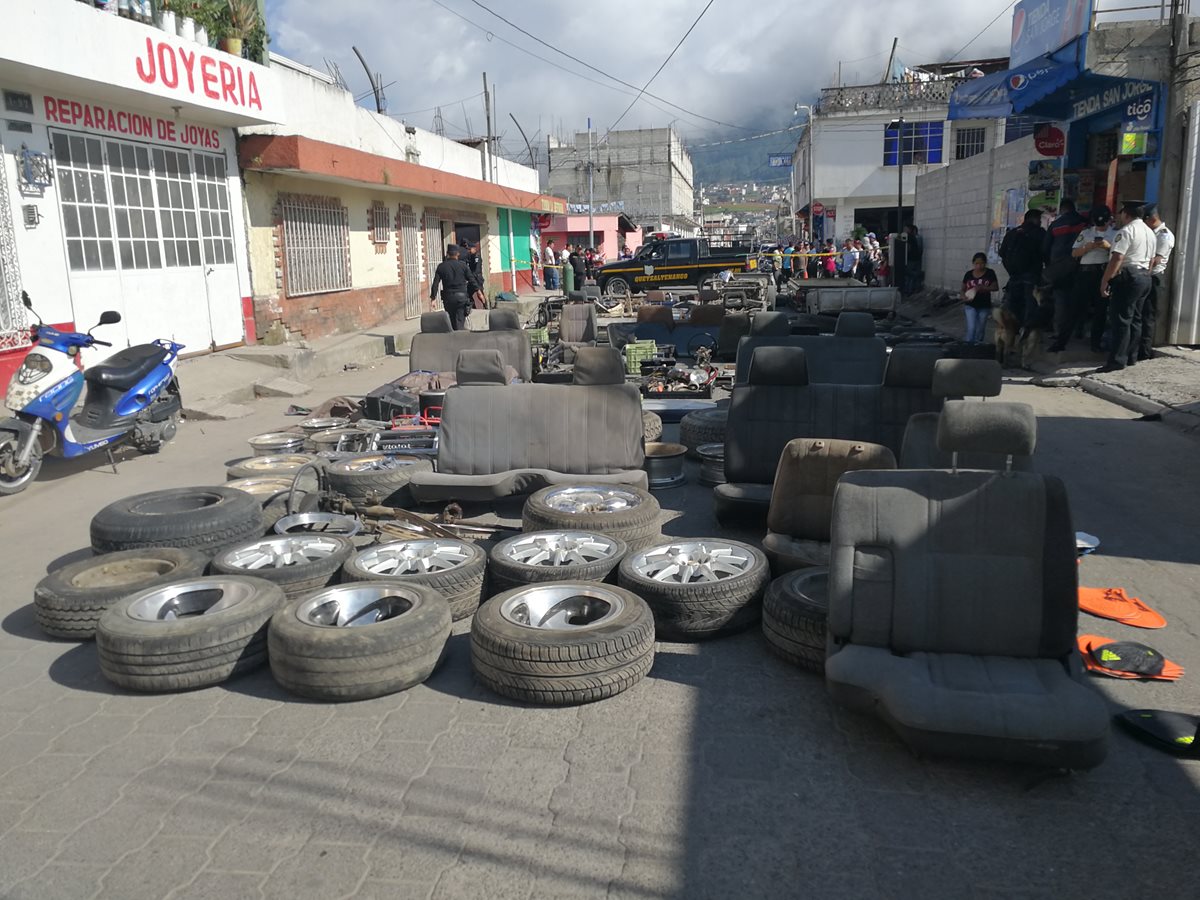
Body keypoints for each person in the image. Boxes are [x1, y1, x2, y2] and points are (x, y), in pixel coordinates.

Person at [1097, 201, 1155, 373]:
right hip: (1144, 276)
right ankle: (1131, 357)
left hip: (1129, 277)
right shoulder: (1149, 232)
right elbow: (1151, 259)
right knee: (1136, 319)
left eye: (1121, 213)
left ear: (1126, 214)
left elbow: (1117, 258)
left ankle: (1116, 360)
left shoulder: (1126, 231)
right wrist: (1145, 275)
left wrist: (1105, 280)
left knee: (1121, 320)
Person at [1060, 206, 1115, 353]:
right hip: (1084, 273)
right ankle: (1061, 341)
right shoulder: (1086, 233)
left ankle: (1095, 343)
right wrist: (1087, 248)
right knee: (1074, 308)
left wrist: (1108, 247)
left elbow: (1119, 255)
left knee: (1100, 310)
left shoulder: (1115, 234)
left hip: (1102, 273)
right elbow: (1074, 253)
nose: (1101, 223)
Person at [999, 210, 1047, 329]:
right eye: (1039, 219)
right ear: (1034, 219)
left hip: (1014, 274)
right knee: (1031, 303)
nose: (1040, 222)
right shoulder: (1039, 232)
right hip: (1031, 274)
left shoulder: (1012, 233)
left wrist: (1011, 269)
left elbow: (1002, 252)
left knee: (1015, 302)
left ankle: (1013, 330)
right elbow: (1045, 251)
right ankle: (1027, 332)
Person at [1141, 204, 1175, 361]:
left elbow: (1155, 260)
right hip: (1145, 276)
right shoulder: (1151, 233)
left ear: (1152, 219)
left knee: (1148, 316)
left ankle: (1144, 352)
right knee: (1140, 315)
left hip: (1154, 278)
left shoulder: (1164, 236)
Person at [429, 244, 480, 331]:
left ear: (447, 254)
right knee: (460, 321)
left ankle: (453, 337)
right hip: (461, 298)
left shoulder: (441, 266)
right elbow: (472, 280)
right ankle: (459, 339)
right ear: (457, 254)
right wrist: (479, 292)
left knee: (451, 321)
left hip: (448, 299)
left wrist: (433, 298)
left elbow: (435, 283)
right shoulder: (463, 266)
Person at [961, 252, 999, 345]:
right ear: (973, 264)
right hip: (970, 305)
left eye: (981, 263)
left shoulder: (990, 273)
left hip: (984, 305)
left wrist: (983, 287)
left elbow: (995, 287)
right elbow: (962, 289)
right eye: (977, 263)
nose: (979, 266)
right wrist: (963, 296)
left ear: (985, 263)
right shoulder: (968, 274)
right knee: (972, 328)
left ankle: (978, 346)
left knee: (980, 329)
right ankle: (968, 347)